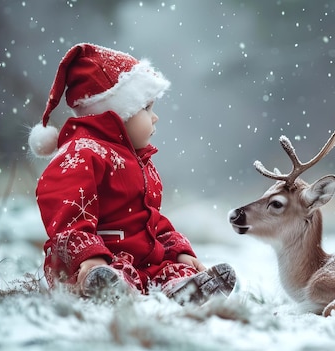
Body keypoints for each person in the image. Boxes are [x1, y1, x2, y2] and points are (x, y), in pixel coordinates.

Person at [28, 43, 236, 303]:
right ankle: (104, 287)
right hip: (98, 260)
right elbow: (67, 214)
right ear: (117, 113)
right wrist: (88, 256)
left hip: (143, 260)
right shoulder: (81, 154)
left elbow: (152, 220)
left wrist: (179, 251)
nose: (155, 117)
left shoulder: (139, 161)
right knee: (114, 273)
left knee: (166, 270)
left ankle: (186, 287)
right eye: (147, 108)